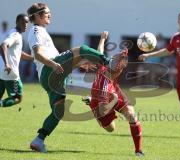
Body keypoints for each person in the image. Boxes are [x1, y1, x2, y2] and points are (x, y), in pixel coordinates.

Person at [27, 3, 109, 153]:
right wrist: (52, 64)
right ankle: (108, 62)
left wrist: (79, 63)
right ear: (38, 16)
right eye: (47, 13)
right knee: (81, 49)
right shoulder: (36, 30)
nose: (50, 15)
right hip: (49, 71)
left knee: (58, 111)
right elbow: (38, 53)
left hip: (51, 77)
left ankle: (38, 140)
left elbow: (63, 63)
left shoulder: (41, 31)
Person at [83, 31, 144, 156]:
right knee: (111, 129)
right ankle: (90, 103)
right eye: (119, 67)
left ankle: (138, 151)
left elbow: (99, 52)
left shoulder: (106, 63)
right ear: (114, 71)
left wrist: (102, 39)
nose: (121, 68)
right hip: (100, 101)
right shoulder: (102, 88)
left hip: (114, 90)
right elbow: (103, 110)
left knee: (132, 115)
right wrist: (114, 101)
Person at [0, 14, 33, 107]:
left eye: (27, 22)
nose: (25, 24)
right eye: (23, 22)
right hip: (10, 72)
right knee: (17, 98)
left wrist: (33, 58)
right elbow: (3, 45)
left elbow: (18, 52)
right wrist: (7, 64)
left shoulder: (12, 32)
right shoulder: (16, 35)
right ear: (17, 22)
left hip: (2, 71)